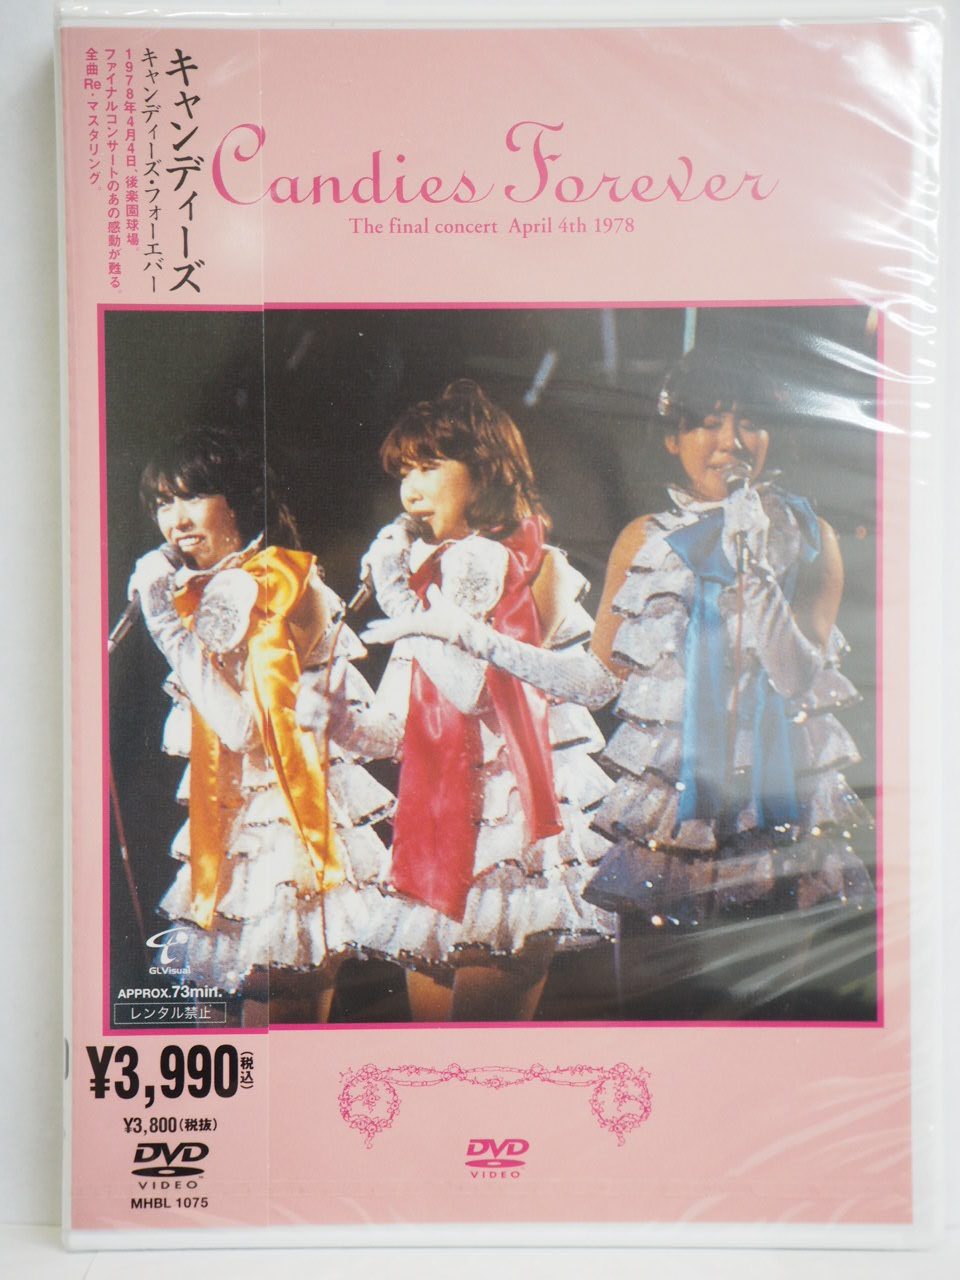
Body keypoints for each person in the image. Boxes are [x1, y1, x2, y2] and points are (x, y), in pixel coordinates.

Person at [365, 351, 875, 1017]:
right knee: (653, 1022)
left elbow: (798, 675)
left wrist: (752, 568)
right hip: (668, 821)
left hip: (776, 816)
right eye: (708, 423)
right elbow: (598, 684)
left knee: (761, 1028)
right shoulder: (643, 538)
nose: (729, 441)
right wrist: (477, 639)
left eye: (748, 423)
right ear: (673, 439)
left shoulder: (808, 534)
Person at [299, 380, 615, 1022]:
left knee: (480, 1048)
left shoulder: (541, 569)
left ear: (483, 470)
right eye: (404, 472)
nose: (411, 489)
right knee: (434, 1051)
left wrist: (404, 604)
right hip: (438, 828)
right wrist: (339, 725)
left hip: (509, 839)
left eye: (429, 466)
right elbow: (399, 729)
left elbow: (475, 690)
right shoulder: (424, 582)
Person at [129, 427, 392, 1025]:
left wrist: (166, 628)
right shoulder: (194, 597)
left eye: (193, 496)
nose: (176, 519)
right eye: (163, 503)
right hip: (224, 838)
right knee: (212, 1042)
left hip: (287, 839)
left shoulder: (287, 585)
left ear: (240, 499)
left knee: (277, 1039)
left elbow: (247, 729)